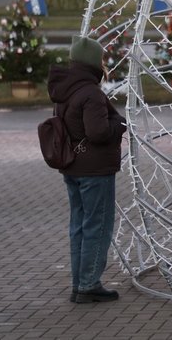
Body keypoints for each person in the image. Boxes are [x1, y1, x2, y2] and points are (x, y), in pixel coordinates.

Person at [47, 36, 128, 304]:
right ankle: (89, 284)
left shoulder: (65, 90)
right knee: (97, 225)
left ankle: (79, 282)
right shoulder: (91, 93)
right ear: (93, 62)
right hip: (94, 170)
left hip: (73, 167)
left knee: (79, 226)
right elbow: (98, 133)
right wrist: (119, 124)